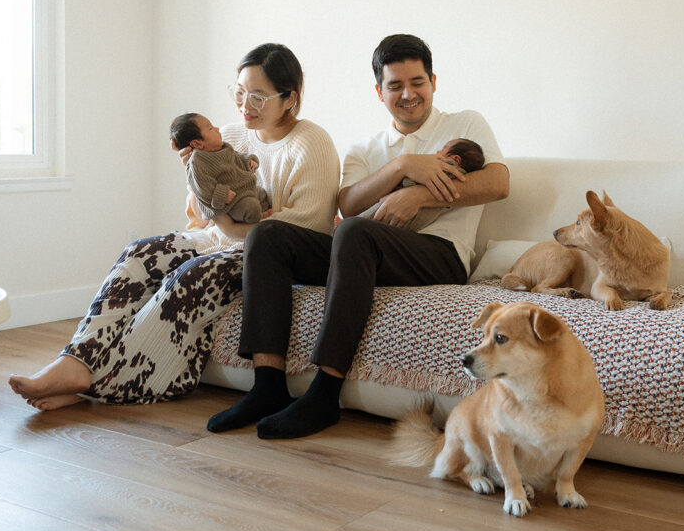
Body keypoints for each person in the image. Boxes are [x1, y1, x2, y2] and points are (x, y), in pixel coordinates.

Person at [207, 33, 509, 438]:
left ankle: (324, 394)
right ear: (379, 92)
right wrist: (403, 165)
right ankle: (267, 386)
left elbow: (498, 183)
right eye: (395, 85)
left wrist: (418, 195)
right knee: (267, 235)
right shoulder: (366, 149)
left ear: (433, 82)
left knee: (354, 233)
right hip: (367, 252)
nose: (408, 94)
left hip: (440, 255)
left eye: (417, 82)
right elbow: (348, 204)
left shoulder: (465, 124)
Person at [8, 43, 340, 410]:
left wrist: (231, 229)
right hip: (218, 238)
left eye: (258, 97)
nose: (245, 105)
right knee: (139, 252)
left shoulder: (311, 142)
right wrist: (192, 175)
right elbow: (203, 215)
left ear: (290, 98)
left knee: (191, 275)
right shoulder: (228, 136)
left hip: (268, 256)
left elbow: (309, 224)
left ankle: (94, 384)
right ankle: (75, 361)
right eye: (239, 93)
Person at [358, 137, 484, 231]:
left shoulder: (445, 168)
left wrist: (403, 179)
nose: (438, 151)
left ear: (455, 159)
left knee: (369, 216)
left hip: (410, 212)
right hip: (421, 220)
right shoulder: (460, 177)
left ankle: (356, 223)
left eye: (443, 149)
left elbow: (413, 182)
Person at [170, 112, 271, 224]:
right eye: (210, 128)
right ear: (197, 144)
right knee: (251, 207)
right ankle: (254, 219)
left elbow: (236, 157)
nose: (217, 129)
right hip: (230, 202)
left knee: (261, 193)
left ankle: (261, 214)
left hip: (244, 190)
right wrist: (222, 195)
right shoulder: (197, 162)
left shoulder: (224, 147)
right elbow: (203, 187)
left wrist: (248, 162)